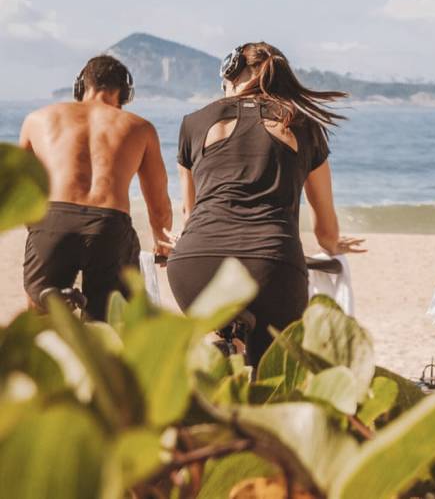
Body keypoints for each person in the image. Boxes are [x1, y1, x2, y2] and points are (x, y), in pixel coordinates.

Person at [165, 42, 364, 366]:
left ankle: (221, 352)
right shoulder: (304, 126)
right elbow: (326, 231)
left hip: (196, 262)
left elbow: (190, 213)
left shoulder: (194, 123)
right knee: (268, 371)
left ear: (230, 75)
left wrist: (186, 239)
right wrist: (335, 244)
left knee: (217, 348)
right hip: (272, 265)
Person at [19, 55, 173, 320]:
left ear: (81, 86)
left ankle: (45, 307)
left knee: (37, 313)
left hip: (53, 220)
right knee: (108, 322)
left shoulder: (38, 119)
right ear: (124, 94)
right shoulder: (140, 127)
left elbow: (19, 187)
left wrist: (39, 231)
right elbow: (158, 203)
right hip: (109, 227)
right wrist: (162, 242)